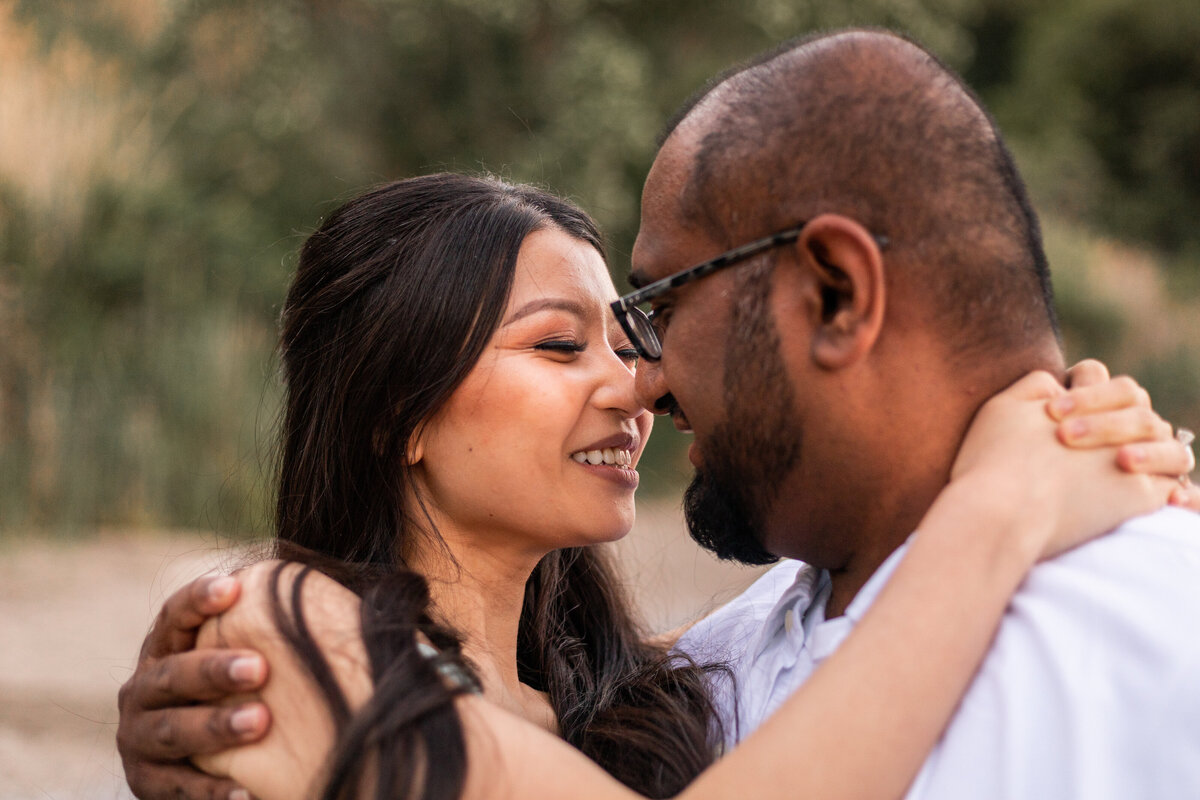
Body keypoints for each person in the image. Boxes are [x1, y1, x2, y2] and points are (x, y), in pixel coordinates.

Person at [115, 164, 1197, 800]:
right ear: (398, 410)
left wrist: (1061, 432)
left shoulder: (654, 699)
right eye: (556, 346)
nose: (637, 384)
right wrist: (1002, 508)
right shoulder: (276, 625)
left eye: (624, 339)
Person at [618, 28, 1200, 799]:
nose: (643, 382)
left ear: (837, 294)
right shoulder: (699, 672)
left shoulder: (1169, 638)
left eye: (663, 303)